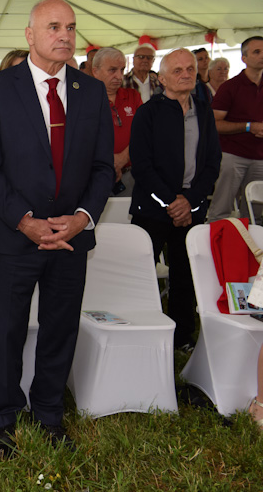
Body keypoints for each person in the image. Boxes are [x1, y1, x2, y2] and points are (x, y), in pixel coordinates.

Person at [0, 0, 113, 457]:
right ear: (29, 36)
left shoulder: (91, 91)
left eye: (70, 27)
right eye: (53, 27)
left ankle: (49, 414)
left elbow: (103, 167)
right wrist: (25, 221)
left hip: (71, 237)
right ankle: (5, 419)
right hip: (12, 235)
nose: (64, 35)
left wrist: (82, 218)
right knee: (8, 330)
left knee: (60, 328)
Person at [129, 48, 221, 350]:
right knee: (142, 275)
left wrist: (189, 201)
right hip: (153, 209)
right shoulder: (148, 112)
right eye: (178, 70)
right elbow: (142, 165)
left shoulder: (204, 111)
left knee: (186, 276)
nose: (185, 75)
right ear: (163, 79)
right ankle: (140, 332)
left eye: (190, 69)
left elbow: (212, 162)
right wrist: (171, 202)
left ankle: (182, 338)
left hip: (191, 209)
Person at [207, 36, 263, 222]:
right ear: (244, 58)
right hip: (233, 156)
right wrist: (248, 127)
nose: (262, 55)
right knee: (221, 209)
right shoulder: (230, 87)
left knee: (254, 214)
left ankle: (251, 241)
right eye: (257, 52)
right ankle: (215, 238)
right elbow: (214, 124)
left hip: (260, 157)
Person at [91, 47, 143, 197]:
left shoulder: (133, 96)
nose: (119, 76)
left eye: (122, 70)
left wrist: (123, 157)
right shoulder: (84, 101)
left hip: (131, 175)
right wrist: (107, 162)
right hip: (95, 176)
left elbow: (145, 133)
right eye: (112, 70)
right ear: (95, 71)